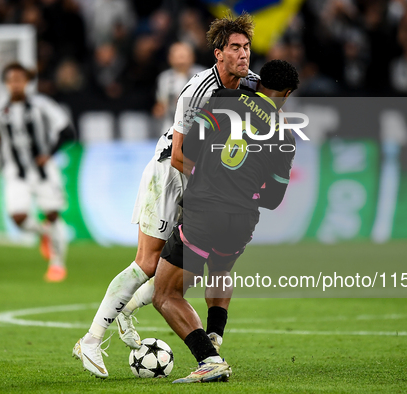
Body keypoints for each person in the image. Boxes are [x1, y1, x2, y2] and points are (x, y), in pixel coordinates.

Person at [73, 13, 259, 379]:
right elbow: (179, 155)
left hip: (206, 188)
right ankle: (92, 339)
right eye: (235, 47)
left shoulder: (250, 88)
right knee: (147, 263)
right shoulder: (196, 92)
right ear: (219, 54)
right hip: (170, 176)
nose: (244, 54)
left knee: (198, 269)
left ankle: (211, 341)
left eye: (247, 47)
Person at [153, 59, 299, 383]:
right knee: (221, 268)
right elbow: (275, 199)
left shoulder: (224, 99)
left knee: (165, 294)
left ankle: (209, 357)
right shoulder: (285, 131)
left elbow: (188, 150)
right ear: (286, 94)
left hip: (205, 211)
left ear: (258, 81)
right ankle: (215, 335)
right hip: (243, 219)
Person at [0, 62, 75, 282]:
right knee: (18, 217)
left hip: (43, 171)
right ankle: (44, 234)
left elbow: (67, 131)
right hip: (16, 172)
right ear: (6, 83)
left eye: (19, 80)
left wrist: (49, 153)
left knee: (52, 213)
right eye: (11, 80)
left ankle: (57, 264)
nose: (15, 84)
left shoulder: (42, 105)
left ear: (27, 82)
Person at [152, 42, 205, 134]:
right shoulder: (164, 78)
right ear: (170, 58)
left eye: (183, 56)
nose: (181, 61)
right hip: (171, 126)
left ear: (192, 57)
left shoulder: (203, 76)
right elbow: (161, 103)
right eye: (177, 56)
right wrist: (160, 108)